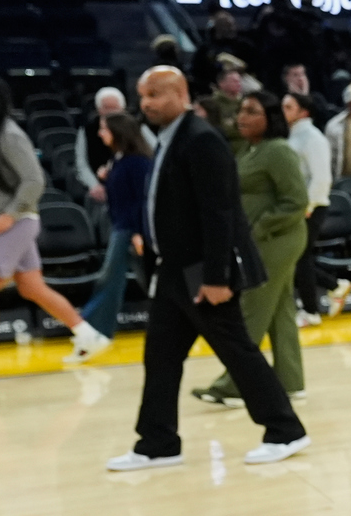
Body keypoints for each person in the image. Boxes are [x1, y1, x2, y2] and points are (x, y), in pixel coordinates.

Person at [105, 69, 307, 469]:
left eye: (155, 95)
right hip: (173, 271)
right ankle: (158, 442)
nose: (146, 103)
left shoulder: (201, 139)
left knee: (237, 351)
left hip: (201, 272)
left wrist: (217, 278)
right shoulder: (170, 139)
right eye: (142, 95)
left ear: (180, 93)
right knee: (160, 357)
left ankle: (286, 430)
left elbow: (219, 215)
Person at [0, 76, 113, 375]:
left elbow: (35, 180)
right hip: (5, 222)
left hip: (12, 225)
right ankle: (88, 335)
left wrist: (9, 215)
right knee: (32, 287)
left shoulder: (9, 135)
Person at [193, 91, 311, 405]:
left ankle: (233, 384)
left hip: (277, 240)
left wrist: (259, 227)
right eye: (241, 111)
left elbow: (297, 201)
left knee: (252, 311)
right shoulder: (250, 149)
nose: (242, 117)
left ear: (269, 118)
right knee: (280, 310)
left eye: (251, 111)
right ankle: (290, 380)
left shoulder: (278, 151)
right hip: (266, 240)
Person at [76, 111, 154, 342]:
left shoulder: (137, 162)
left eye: (104, 129)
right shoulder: (119, 159)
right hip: (122, 226)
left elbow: (142, 200)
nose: (100, 134)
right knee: (149, 282)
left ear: (118, 132)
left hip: (130, 229)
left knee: (109, 279)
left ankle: (94, 330)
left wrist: (140, 232)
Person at [282, 91, 333, 324]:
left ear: (304, 111)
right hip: (299, 206)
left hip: (312, 206)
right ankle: (334, 287)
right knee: (298, 258)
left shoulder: (313, 138)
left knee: (300, 257)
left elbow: (321, 177)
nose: (283, 111)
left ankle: (311, 311)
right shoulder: (294, 136)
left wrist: (308, 206)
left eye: (289, 107)